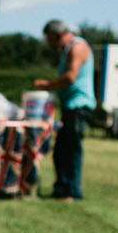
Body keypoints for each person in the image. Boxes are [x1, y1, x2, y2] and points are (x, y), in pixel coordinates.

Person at [35, 20, 96, 201]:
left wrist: (47, 85)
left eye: (49, 39)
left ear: (57, 35)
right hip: (70, 106)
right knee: (61, 150)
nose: (49, 43)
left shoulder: (77, 48)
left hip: (79, 106)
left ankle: (72, 192)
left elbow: (70, 77)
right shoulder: (67, 50)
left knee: (71, 150)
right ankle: (61, 189)